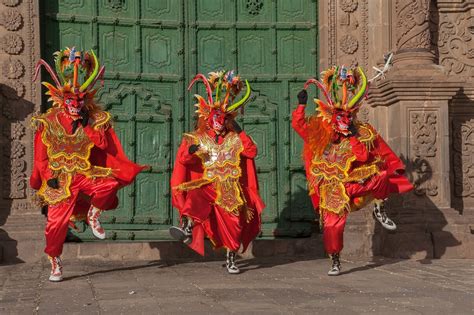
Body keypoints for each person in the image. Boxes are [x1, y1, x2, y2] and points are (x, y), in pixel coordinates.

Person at [30, 47, 146, 281]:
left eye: (80, 100)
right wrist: (47, 175)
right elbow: (40, 156)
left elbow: (103, 145)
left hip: (83, 172)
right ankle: (55, 261)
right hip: (59, 178)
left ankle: (94, 215)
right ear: (62, 100)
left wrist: (87, 126)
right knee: (55, 226)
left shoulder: (92, 120)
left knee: (109, 184)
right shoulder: (48, 122)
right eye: (71, 100)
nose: (75, 104)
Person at [292, 66, 413, 276]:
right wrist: (301, 105)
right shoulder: (319, 131)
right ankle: (335, 259)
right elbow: (298, 124)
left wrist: (353, 134)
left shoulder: (361, 131)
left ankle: (379, 208)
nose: (344, 120)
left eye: (348, 116)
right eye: (340, 116)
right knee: (333, 227)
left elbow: (365, 157)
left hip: (353, 182)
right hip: (331, 187)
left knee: (381, 175)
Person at [170, 70, 265, 274]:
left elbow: (252, 151)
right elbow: (184, 160)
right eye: (215, 117)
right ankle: (187, 227)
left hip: (230, 187)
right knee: (195, 195)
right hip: (210, 183)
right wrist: (191, 151)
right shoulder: (199, 137)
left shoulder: (235, 137)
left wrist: (240, 131)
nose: (218, 121)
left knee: (234, 224)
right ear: (208, 117)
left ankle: (231, 256)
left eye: (222, 117)